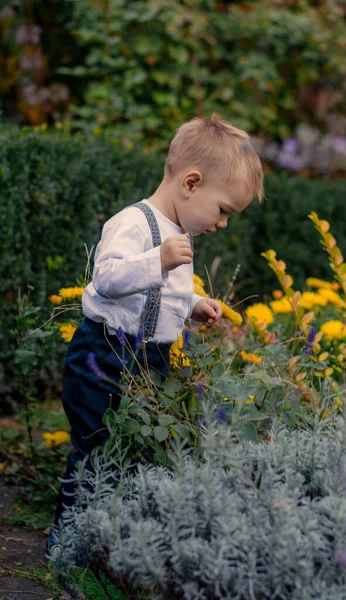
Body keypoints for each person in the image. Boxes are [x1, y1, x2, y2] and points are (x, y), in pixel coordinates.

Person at [45, 113, 264, 562]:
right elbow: (108, 279)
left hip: (151, 364)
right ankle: (67, 539)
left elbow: (162, 297)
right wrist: (158, 260)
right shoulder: (132, 224)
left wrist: (193, 304)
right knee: (95, 446)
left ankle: (113, 533)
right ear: (191, 183)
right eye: (223, 211)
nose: (222, 224)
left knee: (136, 445)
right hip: (104, 357)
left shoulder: (177, 233)